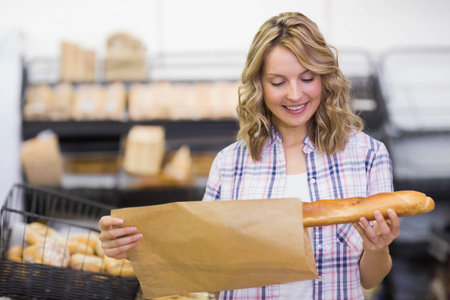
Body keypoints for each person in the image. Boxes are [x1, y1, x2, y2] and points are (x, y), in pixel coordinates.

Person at [99, 12, 400, 299]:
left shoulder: (368, 155)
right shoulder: (231, 164)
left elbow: (370, 279)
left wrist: (378, 246)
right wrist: (135, 247)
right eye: (278, 82)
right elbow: (205, 262)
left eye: (307, 78)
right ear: (259, 85)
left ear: (326, 78)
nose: (295, 94)